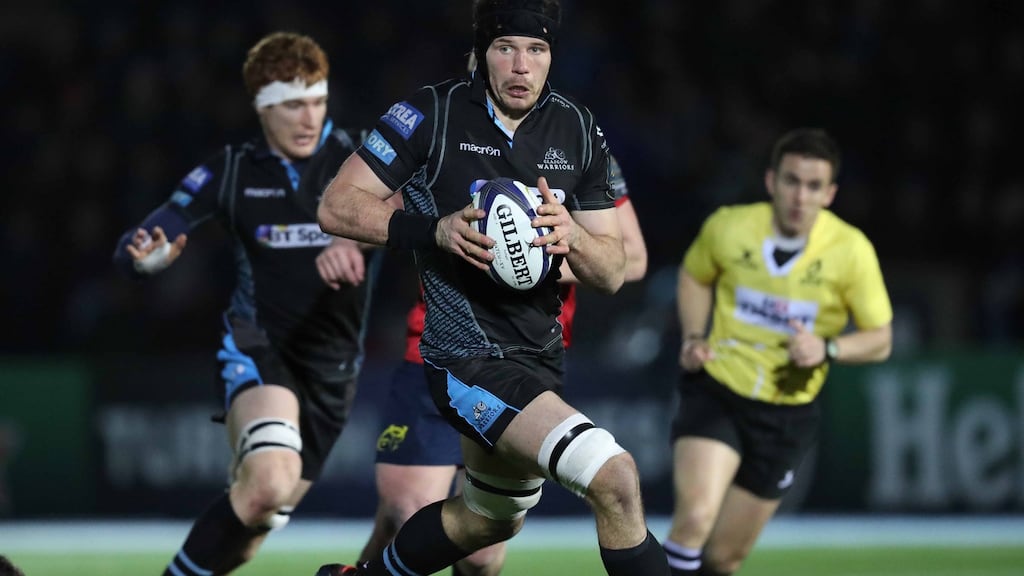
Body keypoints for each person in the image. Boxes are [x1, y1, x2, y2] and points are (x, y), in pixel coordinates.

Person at [314, 1, 671, 574]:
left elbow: (613, 269)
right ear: (482, 55)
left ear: (553, 57)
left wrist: (572, 236)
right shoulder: (429, 113)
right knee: (616, 478)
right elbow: (336, 206)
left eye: (537, 50)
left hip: (540, 359)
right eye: (506, 49)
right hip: (465, 359)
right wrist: (433, 230)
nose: (521, 66)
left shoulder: (576, 126)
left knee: (488, 519)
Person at [112, 32, 376, 576]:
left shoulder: (363, 157)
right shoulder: (231, 170)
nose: (308, 117)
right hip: (259, 348)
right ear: (261, 108)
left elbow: (410, 197)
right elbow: (147, 235)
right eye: (290, 104)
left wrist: (355, 235)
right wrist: (145, 257)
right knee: (269, 485)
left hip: (334, 373)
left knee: (257, 518)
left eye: (317, 101)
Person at [360, 153, 648, 576]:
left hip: (524, 360)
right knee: (404, 510)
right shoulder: (440, 133)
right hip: (435, 351)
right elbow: (363, 210)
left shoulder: (579, 146)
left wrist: (527, 262)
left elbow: (633, 259)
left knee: (482, 549)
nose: (519, 81)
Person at [664, 128, 893, 575]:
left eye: (813, 186)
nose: (800, 196)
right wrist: (694, 337)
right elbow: (694, 276)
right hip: (719, 390)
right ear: (771, 181)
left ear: (829, 194)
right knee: (694, 518)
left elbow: (880, 338)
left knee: (723, 557)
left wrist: (827, 347)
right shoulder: (729, 226)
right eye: (792, 181)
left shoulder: (851, 251)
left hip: (787, 413)